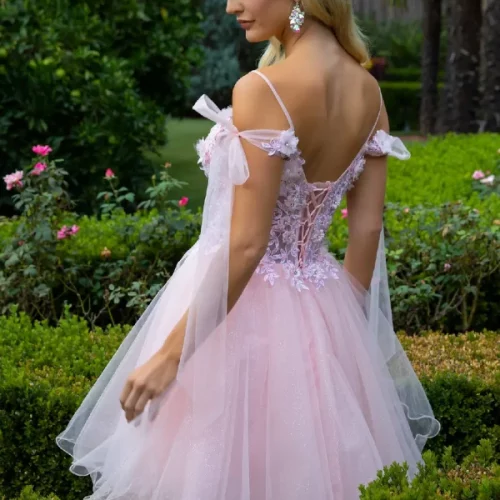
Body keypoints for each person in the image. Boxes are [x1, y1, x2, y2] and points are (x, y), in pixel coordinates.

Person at [56, 0, 440, 498]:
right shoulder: (370, 93)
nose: (231, 5)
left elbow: (247, 244)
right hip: (323, 306)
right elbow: (366, 231)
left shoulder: (262, 88)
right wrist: (337, 333)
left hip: (233, 315)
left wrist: (171, 356)